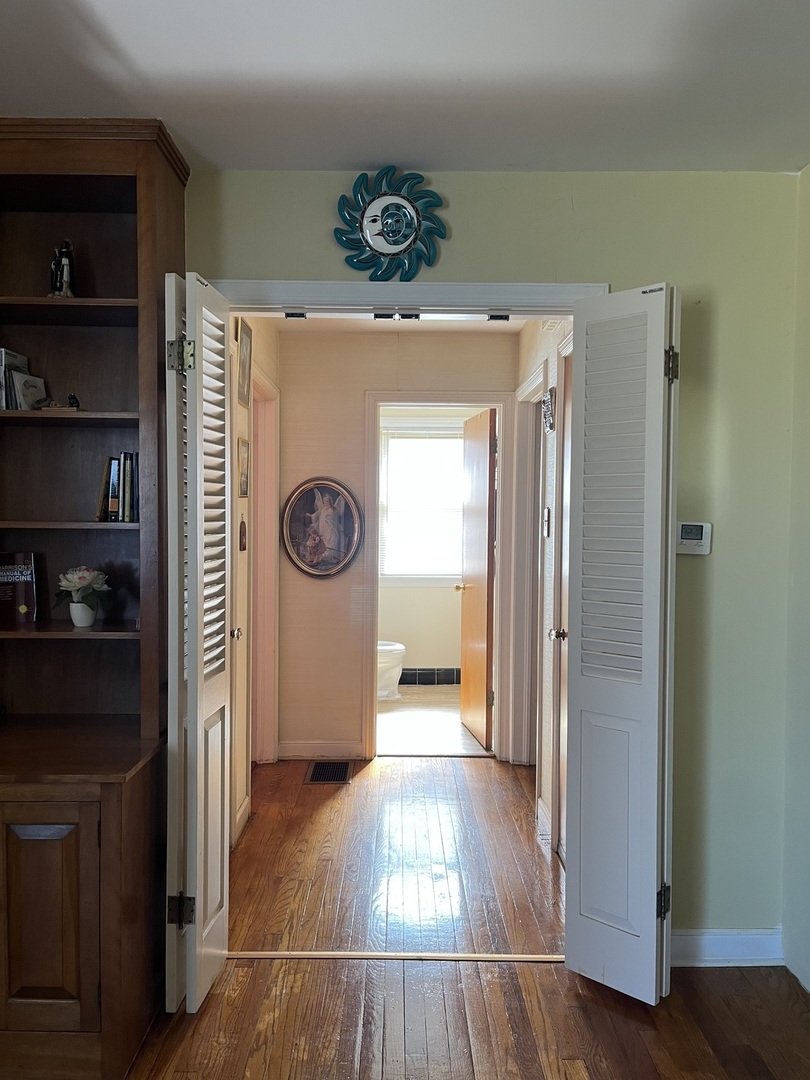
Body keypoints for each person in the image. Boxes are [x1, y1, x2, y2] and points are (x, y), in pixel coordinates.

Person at [306, 489, 345, 564]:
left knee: (330, 540)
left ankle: (328, 556)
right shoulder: (322, 509)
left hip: (330, 528)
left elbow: (334, 518)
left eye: (326, 501)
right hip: (322, 528)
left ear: (330, 501)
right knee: (322, 541)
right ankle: (320, 556)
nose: (324, 503)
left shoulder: (333, 509)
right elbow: (317, 514)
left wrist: (328, 519)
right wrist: (311, 515)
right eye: (323, 501)